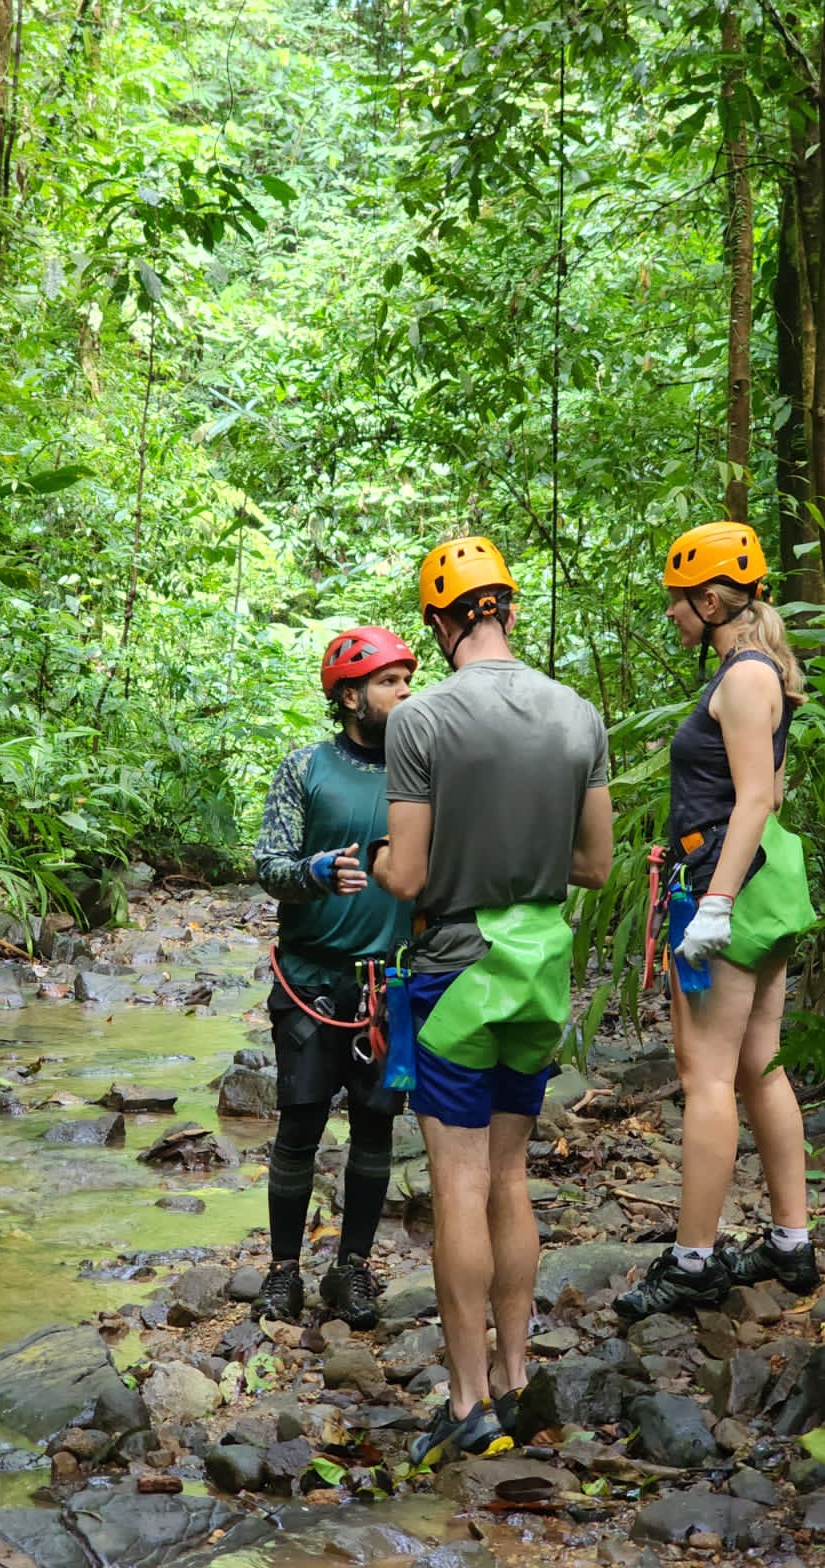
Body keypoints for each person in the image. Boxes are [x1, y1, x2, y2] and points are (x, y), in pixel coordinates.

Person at [371, 537, 613, 1466]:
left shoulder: (421, 720)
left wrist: (389, 866)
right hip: (539, 972)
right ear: (507, 609)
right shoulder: (578, 714)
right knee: (512, 1178)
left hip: (454, 973)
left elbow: (411, 874)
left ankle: (468, 1397)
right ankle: (516, 1376)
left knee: (460, 1184)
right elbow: (591, 864)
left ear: (440, 622)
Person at [613, 522, 819, 1324]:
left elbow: (756, 796)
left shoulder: (741, 679)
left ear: (710, 600)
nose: (671, 616)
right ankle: (790, 1241)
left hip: (731, 891)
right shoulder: (761, 670)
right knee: (759, 1064)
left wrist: (719, 902)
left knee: (705, 1076)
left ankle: (695, 1258)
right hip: (766, 889)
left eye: (676, 603)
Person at [251, 626, 417, 1329]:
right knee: (300, 1125)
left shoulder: (424, 771)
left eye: (409, 679)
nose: (406, 692)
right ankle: (283, 1273)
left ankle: (351, 1270)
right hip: (311, 979)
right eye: (390, 682)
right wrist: (314, 874)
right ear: (350, 696)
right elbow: (267, 863)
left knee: (376, 1127)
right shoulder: (305, 767)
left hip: (392, 984)